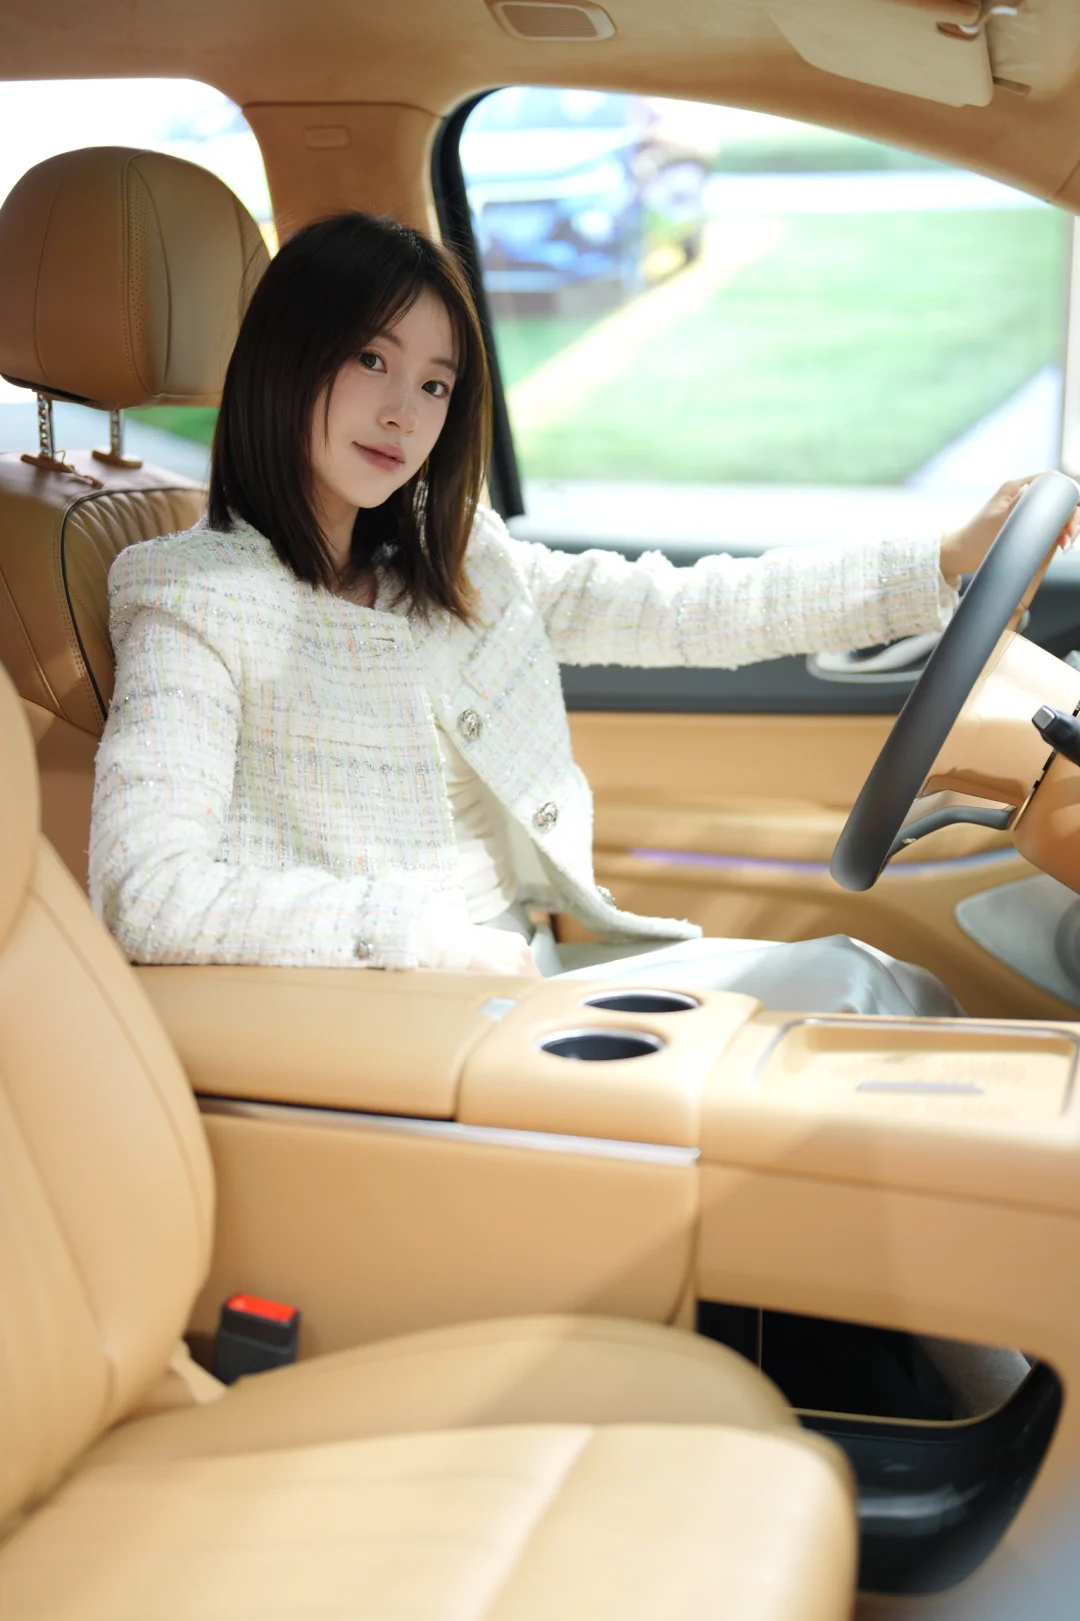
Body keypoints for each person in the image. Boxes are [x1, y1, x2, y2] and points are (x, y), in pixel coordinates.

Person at [88, 211, 1077, 1013]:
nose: (404, 413)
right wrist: (426, 938)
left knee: (875, 985)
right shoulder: (193, 597)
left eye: (435, 384)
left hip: (522, 979)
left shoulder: (457, 561)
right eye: (370, 361)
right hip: (401, 1010)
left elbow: (689, 610)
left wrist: (941, 559)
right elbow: (149, 891)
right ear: (285, 358)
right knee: (854, 992)